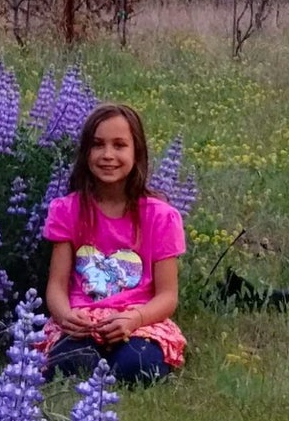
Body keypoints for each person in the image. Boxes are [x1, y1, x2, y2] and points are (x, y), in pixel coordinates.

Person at [42, 103, 186, 385]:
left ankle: (124, 362)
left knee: (137, 367)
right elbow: (56, 285)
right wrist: (65, 315)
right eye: (98, 145)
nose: (108, 155)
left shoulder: (161, 216)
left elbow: (168, 295)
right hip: (82, 322)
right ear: (86, 153)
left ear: (137, 152)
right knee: (71, 366)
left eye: (119, 145)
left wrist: (135, 318)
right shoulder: (66, 209)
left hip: (140, 323)